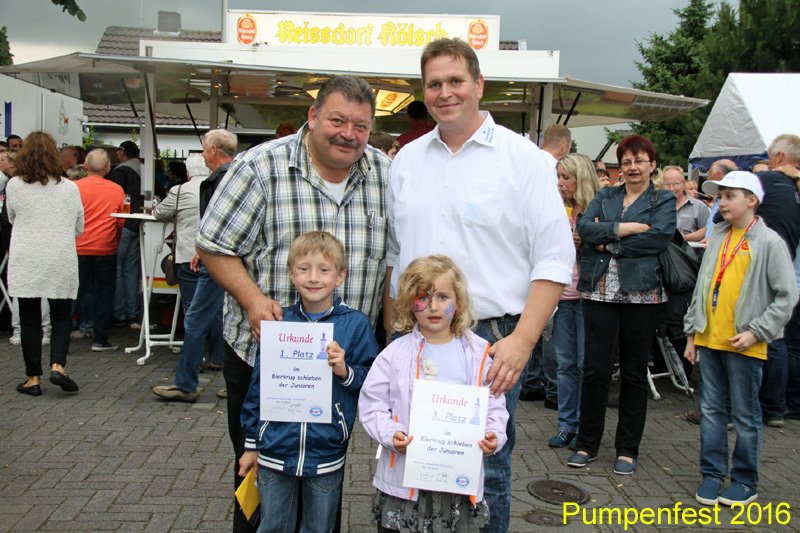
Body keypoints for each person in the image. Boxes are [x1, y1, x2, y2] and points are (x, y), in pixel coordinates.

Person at [384, 38, 574, 533]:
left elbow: (555, 259)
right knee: (413, 460)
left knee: (484, 470)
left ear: (479, 85)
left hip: (490, 340)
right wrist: (392, 333)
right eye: (434, 84)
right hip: (416, 337)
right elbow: (395, 256)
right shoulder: (406, 161)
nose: (445, 92)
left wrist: (523, 341)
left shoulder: (524, 159)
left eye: (456, 81)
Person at [196, 76, 391, 533]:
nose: (349, 134)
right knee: (262, 477)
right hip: (264, 362)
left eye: (361, 126)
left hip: (339, 368)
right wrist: (252, 299)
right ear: (313, 116)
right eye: (338, 121)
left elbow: (392, 262)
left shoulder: (385, 173)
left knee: (325, 481)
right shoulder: (259, 166)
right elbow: (212, 244)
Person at [239, 231, 378, 532]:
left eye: (324, 270)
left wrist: (344, 370)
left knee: (319, 528)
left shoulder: (356, 325)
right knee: (273, 526)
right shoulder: (279, 323)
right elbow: (258, 385)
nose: (313, 278)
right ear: (291, 274)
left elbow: (371, 380)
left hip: (326, 450)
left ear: (340, 276)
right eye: (304, 269)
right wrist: (251, 444)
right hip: (274, 447)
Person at [359, 255, 508, 532]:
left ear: (458, 301)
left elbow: (494, 404)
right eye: (423, 298)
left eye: (442, 296)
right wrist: (391, 434)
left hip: (457, 482)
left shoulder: (479, 354)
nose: (433, 306)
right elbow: (372, 405)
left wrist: (494, 435)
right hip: (404, 481)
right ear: (409, 302)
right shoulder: (394, 354)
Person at [685, 171, 797, 506]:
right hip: (709, 339)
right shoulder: (718, 235)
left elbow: (787, 295)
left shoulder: (769, 242)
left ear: (752, 200)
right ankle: (712, 474)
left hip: (744, 344)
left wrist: (756, 332)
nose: (721, 202)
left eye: (729, 195)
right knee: (710, 410)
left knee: (746, 415)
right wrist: (692, 334)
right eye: (720, 196)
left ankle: (746, 481)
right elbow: (703, 286)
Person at [566, 134, 676, 475]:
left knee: (633, 372)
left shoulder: (662, 199)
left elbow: (658, 238)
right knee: (595, 370)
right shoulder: (606, 195)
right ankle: (586, 443)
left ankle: (627, 449)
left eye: (639, 161)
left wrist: (608, 242)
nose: (632, 167)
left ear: (652, 165)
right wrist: (625, 228)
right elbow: (585, 228)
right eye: (627, 161)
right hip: (598, 291)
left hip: (643, 294)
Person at [7, 131, 84, 396]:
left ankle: (33, 378)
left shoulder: (14, 185)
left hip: (26, 256)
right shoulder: (70, 188)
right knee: (61, 316)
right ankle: (58, 366)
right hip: (60, 255)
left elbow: (11, 217)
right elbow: (79, 226)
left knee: (29, 319)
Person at [151, 149, 230, 403]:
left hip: (204, 257)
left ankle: (187, 384)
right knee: (217, 315)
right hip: (212, 256)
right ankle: (221, 369)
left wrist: (203, 250)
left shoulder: (191, 188)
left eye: (207, 149)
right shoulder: (223, 181)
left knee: (195, 315)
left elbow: (159, 214)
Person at [548, 154, 600, 449]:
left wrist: (587, 243)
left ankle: (584, 425)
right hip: (561, 297)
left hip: (588, 296)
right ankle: (566, 424)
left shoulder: (595, 209)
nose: (560, 183)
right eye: (558, 176)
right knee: (565, 364)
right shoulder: (556, 208)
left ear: (581, 178)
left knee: (584, 363)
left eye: (566, 177)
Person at [75, 149, 125, 351]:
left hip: (77, 247)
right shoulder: (116, 190)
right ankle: (100, 338)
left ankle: (60, 334)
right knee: (104, 293)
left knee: (74, 292)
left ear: (85, 166)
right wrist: (115, 241)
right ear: (108, 168)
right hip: (105, 247)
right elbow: (120, 222)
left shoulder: (74, 187)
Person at [110, 140, 142, 327]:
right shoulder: (143, 169)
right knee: (131, 270)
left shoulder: (120, 171)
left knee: (118, 268)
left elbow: (116, 198)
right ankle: (132, 313)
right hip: (139, 224)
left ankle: (119, 312)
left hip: (124, 224)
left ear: (122, 152)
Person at [662, 166, 709, 242]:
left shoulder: (699, 207)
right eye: (667, 184)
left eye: (676, 184)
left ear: (683, 184)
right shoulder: (656, 207)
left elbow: (707, 231)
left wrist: (682, 238)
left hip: (688, 249)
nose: (671, 188)